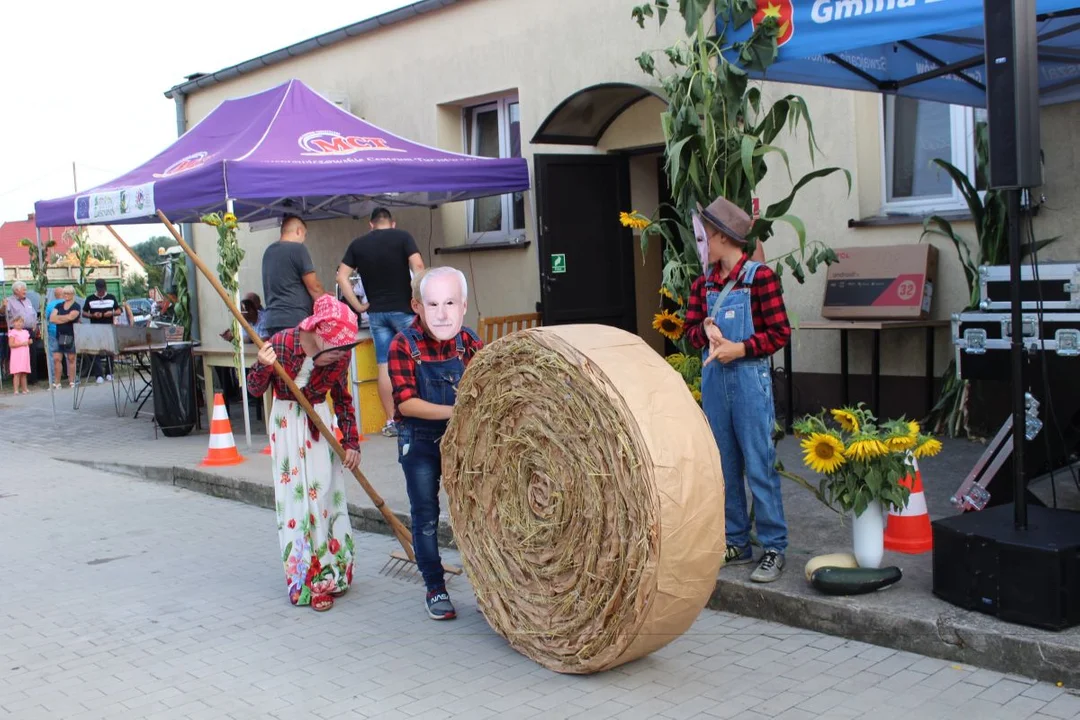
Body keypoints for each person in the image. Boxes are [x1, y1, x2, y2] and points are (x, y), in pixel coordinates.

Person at [684, 195, 792, 584]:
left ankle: (774, 546)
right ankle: (736, 541)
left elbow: (780, 332)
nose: (702, 245)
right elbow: (690, 330)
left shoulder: (760, 278)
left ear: (723, 238)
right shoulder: (703, 285)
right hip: (716, 386)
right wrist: (707, 330)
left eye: (705, 237)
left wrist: (741, 348)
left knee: (759, 466)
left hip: (750, 382)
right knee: (724, 467)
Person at [247, 295, 361, 612]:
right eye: (336, 349)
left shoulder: (340, 355)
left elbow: (342, 398)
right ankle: (306, 582)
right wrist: (261, 364)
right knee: (297, 500)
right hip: (287, 424)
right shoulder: (281, 343)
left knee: (325, 495)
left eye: (345, 351)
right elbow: (254, 389)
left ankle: (334, 571)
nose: (340, 357)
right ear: (318, 333)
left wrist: (351, 441)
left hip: (320, 421)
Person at [388, 266, 482, 620]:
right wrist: (456, 409)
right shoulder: (403, 344)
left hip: (462, 438)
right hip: (420, 439)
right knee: (426, 516)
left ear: (463, 305)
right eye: (432, 304)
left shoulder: (468, 341)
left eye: (450, 303)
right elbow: (407, 403)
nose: (442, 313)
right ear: (417, 306)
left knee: (476, 512)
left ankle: (490, 588)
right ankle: (435, 587)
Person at [337, 207, 425, 438]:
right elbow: (418, 267)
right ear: (392, 223)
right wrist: (419, 299)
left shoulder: (358, 244)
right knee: (416, 361)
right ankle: (418, 414)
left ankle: (391, 421)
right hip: (405, 311)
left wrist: (358, 306)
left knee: (385, 366)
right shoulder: (403, 237)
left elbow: (341, 277)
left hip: (376, 314)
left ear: (371, 224)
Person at [261, 215, 326, 338]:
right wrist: (328, 304)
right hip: (294, 318)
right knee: (298, 356)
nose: (304, 239)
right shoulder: (298, 249)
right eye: (304, 235)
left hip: (271, 320)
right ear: (299, 231)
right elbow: (314, 287)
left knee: (280, 357)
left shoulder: (268, 251)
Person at [83, 279, 120, 383]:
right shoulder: (90, 299)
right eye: (99, 290)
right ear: (96, 289)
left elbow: (119, 311)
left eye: (103, 290)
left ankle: (109, 372)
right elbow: (84, 313)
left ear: (105, 288)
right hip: (95, 328)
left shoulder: (111, 297)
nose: (101, 292)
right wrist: (92, 315)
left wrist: (111, 313)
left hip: (108, 327)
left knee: (110, 351)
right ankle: (98, 375)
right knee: (96, 351)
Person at [3, 281, 40, 384]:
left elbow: (33, 314)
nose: (25, 291)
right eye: (23, 289)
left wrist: (35, 325)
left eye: (25, 289)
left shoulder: (28, 300)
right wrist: (3, 306)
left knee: (32, 354)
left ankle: (32, 379)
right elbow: (2, 312)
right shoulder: (9, 300)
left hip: (29, 331)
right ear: (16, 291)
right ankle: (18, 380)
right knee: (18, 355)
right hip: (16, 331)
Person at [49, 286, 80, 389]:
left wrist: (60, 318)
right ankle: (57, 383)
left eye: (68, 293)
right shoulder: (58, 305)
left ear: (72, 294)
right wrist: (65, 318)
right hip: (58, 334)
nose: (65, 295)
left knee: (71, 358)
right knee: (57, 358)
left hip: (70, 334)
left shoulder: (76, 306)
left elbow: (72, 317)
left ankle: (72, 381)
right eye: (64, 293)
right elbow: (52, 319)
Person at [7, 315, 31, 394]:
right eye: (16, 322)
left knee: (24, 372)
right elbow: (11, 344)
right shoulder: (12, 332)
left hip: (24, 355)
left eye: (20, 322)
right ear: (13, 323)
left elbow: (28, 341)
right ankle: (16, 389)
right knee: (17, 373)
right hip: (17, 355)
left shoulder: (25, 332)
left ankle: (25, 388)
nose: (19, 323)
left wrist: (29, 342)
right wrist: (21, 344)